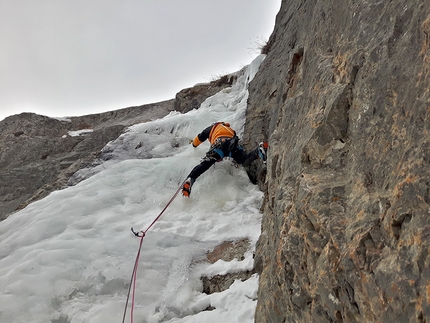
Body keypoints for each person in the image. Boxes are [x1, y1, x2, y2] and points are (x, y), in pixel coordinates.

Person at [182, 121, 268, 197]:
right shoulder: (230, 130)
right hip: (232, 145)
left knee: (206, 164)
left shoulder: (213, 128)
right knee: (244, 160)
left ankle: (191, 179)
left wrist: (193, 144)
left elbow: (200, 137)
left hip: (219, 145)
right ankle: (258, 151)